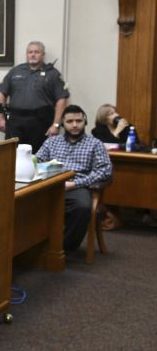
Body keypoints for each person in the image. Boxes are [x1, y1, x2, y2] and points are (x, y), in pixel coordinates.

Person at [35, 105, 112, 252]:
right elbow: (37, 161)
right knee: (25, 202)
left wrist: (75, 183)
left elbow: (104, 171)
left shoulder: (95, 144)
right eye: (70, 121)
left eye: (79, 121)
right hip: (51, 184)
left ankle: (61, 249)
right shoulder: (52, 142)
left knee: (82, 207)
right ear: (63, 123)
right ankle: (32, 246)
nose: (75, 125)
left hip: (78, 186)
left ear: (85, 122)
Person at [0, 41, 69, 153]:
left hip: (41, 122)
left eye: (37, 52)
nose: (33, 54)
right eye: (30, 52)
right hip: (16, 121)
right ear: (26, 54)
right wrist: (0, 119)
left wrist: (56, 124)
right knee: (12, 155)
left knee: (39, 156)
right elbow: (1, 94)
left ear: (43, 55)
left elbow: (62, 100)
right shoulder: (15, 71)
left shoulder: (53, 74)